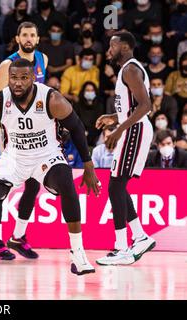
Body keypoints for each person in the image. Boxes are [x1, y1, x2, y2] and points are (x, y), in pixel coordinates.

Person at [0, 58, 99, 280]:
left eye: (24, 78)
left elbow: (77, 127)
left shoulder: (51, 98)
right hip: (14, 158)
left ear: (33, 78)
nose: (18, 83)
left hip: (47, 156)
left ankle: (78, 254)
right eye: (13, 77)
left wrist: (88, 165)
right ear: (8, 79)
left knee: (67, 185)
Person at [0, 21, 48, 260]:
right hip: (9, 134)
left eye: (33, 34)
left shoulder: (43, 58)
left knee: (33, 185)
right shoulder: (7, 64)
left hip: (34, 133)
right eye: (25, 35)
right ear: (18, 38)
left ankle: (18, 236)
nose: (29, 38)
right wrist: (2, 136)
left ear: (38, 38)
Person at [95, 31, 156, 266]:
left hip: (135, 130)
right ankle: (139, 237)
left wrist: (120, 130)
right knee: (118, 184)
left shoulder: (130, 69)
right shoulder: (127, 70)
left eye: (113, 45)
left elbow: (146, 105)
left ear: (126, 47)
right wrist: (114, 117)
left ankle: (121, 246)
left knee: (116, 185)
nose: (109, 50)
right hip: (133, 128)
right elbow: (131, 107)